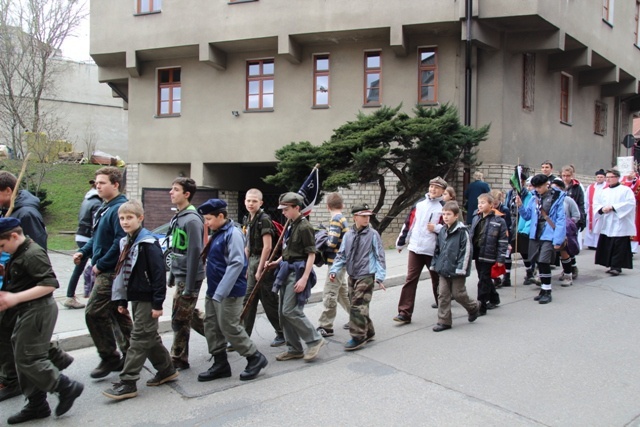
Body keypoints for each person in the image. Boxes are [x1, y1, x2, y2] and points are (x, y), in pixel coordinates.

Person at [0, 217, 83, 424]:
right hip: (27, 310)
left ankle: (66, 387)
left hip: (38, 310)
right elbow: (25, 278)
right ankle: (37, 404)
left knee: (28, 358)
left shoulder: (32, 253)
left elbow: (49, 284)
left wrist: (14, 298)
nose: (2, 250)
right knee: (21, 356)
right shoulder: (19, 251)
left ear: (14, 236)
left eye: (2, 245)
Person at [103, 201, 178, 400]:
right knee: (149, 336)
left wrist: (157, 304)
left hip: (148, 299)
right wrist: (121, 301)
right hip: (136, 297)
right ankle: (167, 369)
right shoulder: (127, 242)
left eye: (130, 218)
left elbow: (158, 274)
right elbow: (124, 273)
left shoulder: (148, 243)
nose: (125, 222)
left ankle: (128, 381)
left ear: (140, 218)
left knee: (139, 337)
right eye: (122, 218)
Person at [196, 199, 268, 382]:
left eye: (209, 218)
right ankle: (220, 364)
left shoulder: (233, 233)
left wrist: (220, 292)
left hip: (229, 292)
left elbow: (236, 263)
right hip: (214, 290)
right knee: (211, 326)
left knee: (229, 326)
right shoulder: (218, 233)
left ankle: (255, 357)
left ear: (221, 216)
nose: (207, 223)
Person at [74, 166, 133, 379]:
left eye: (102, 183)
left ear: (115, 184)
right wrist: (83, 252)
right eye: (96, 183)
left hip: (111, 272)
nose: (97, 186)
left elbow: (120, 242)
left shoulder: (120, 209)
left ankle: (110, 356)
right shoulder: (104, 207)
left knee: (93, 312)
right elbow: (97, 237)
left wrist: (101, 264)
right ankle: (134, 353)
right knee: (117, 315)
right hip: (102, 268)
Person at [0, 171, 49, 403]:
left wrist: (19, 294)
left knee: (21, 343)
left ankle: (60, 386)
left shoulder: (27, 214)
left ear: (8, 191)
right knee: (14, 338)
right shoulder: (9, 211)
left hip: (24, 289)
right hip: (12, 283)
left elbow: (36, 255)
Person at [267, 192, 325, 362]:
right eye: (282, 209)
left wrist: (304, 278)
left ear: (297, 208)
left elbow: (311, 255)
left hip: (297, 272)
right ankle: (294, 349)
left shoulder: (305, 227)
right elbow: (288, 251)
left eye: (286, 209)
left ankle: (315, 340)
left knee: (290, 310)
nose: (283, 212)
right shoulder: (290, 224)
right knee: (282, 313)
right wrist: (277, 262)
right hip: (285, 270)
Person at [329, 203, 386, 350]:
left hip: (366, 275)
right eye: (363, 216)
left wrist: (380, 277)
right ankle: (370, 331)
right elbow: (342, 255)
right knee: (360, 305)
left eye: (368, 216)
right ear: (355, 217)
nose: (367, 219)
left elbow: (380, 256)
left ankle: (358, 337)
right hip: (352, 275)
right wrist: (334, 270)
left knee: (357, 306)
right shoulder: (348, 235)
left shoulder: (373, 234)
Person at [393, 176, 447, 324]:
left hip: (433, 250)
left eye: (437, 187)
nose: (433, 190)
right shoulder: (420, 205)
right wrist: (401, 243)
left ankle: (444, 313)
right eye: (431, 186)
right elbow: (409, 224)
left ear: (442, 190)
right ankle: (404, 312)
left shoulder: (444, 207)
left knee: (437, 280)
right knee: (410, 279)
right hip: (416, 248)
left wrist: (436, 228)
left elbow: (450, 229)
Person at [167, 177, 206, 371]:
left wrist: (189, 287)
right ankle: (220, 336)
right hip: (180, 275)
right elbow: (177, 249)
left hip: (190, 278)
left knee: (179, 318)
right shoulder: (179, 216)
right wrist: (172, 274)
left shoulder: (191, 219)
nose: (171, 192)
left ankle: (178, 357)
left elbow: (194, 253)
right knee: (187, 314)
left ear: (186, 194)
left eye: (175, 189)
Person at [241, 188, 284, 347]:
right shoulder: (248, 219)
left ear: (261, 203)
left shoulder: (264, 219)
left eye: (254, 201)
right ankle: (243, 337)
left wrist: (259, 270)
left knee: (269, 301)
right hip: (252, 261)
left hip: (263, 262)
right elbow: (247, 246)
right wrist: (245, 267)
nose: (250, 203)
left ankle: (281, 332)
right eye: (248, 200)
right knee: (248, 301)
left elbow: (267, 247)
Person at [517, 174, 566, 304]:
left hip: (549, 233)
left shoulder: (557, 198)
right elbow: (527, 216)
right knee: (538, 261)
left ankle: (547, 290)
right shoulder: (534, 198)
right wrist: (520, 206)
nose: (537, 189)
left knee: (544, 261)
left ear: (547, 184)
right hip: (535, 233)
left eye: (540, 187)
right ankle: (543, 290)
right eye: (535, 187)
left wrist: (558, 240)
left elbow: (561, 220)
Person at [430, 201, 479, 331]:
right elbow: (437, 249)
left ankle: (473, 307)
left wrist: (461, 268)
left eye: (449, 214)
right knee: (443, 294)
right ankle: (444, 321)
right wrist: (435, 264)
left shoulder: (463, 232)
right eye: (444, 214)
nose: (445, 217)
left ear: (456, 216)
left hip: (457, 269)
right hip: (443, 268)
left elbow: (466, 251)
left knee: (458, 294)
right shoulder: (442, 231)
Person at [63, 180, 102, 309]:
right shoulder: (97, 202)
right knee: (97, 266)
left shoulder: (88, 199)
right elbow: (96, 225)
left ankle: (71, 295)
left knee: (81, 268)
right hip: (88, 238)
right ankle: (76, 295)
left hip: (81, 235)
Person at [316, 192, 350, 338]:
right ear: (342, 205)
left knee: (329, 294)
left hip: (335, 263)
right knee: (342, 293)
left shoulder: (336, 219)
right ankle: (357, 318)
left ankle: (326, 326)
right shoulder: (342, 218)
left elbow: (332, 242)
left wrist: (323, 235)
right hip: (341, 262)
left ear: (327, 206)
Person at [469, 193, 508, 315]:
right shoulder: (476, 217)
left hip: (489, 254)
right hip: (477, 252)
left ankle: (481, 305)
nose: (480, 205)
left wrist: (501, 258)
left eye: (483, 203)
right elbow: (472, 234)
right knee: (483, 277)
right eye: (479, 203)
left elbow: (503, 241)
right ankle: (494, 298)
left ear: (491, 205)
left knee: (483, 280)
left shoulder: (499, 221)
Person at [594, 169, 636, 276]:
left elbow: (630, 203)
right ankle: (610, 264)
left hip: (620, 221)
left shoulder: (625, 190)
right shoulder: (604, 191)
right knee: (608, 243)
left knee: (619, 244)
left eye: (610, 177)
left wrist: (614, 207)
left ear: (617, 177)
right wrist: (602, 209)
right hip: (607, 221)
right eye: (607, 177)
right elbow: (597, 203)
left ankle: (616, 266)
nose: (608, 179)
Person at [550, 178, 581, 287]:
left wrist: (568, 223)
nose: (554, 190)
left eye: (556, 188)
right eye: (552, 188)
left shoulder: (568, 200)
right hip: (550, 229)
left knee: (565, 252)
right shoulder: (548, 199)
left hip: (564, 230)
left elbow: (576, 215)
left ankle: (569, 273)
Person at [584, 169, 607, 249]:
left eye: (601, 177)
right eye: (598, 177)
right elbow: (586, 199)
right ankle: (590, 243)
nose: (599, 178)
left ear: (604, 178)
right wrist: (586, 209)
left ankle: (598, 244)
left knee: (599, 227)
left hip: (601, 210)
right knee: (591, 226)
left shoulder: (607, 187)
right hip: (591, 210)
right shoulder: (591, 187)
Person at [620, 170, 640, 254]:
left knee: (634, 225)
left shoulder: (637, 180)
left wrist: (634, 180)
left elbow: (636, 193)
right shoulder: (622, 179)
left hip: (636, 206)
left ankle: (632, 249)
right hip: (622, 206)